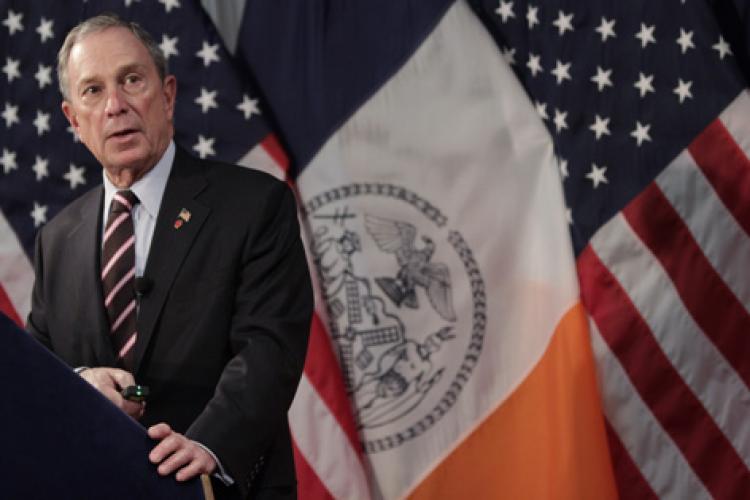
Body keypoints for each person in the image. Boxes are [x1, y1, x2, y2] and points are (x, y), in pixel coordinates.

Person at [26, 14, 312, 500]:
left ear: (168, 94)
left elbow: (269, 347)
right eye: (93, 91)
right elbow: (37, 370)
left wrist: (210, 444)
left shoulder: (253, 205)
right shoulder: (56, 241)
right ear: (74, 119)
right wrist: (80, 381)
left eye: (131, 80)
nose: (115, 106)